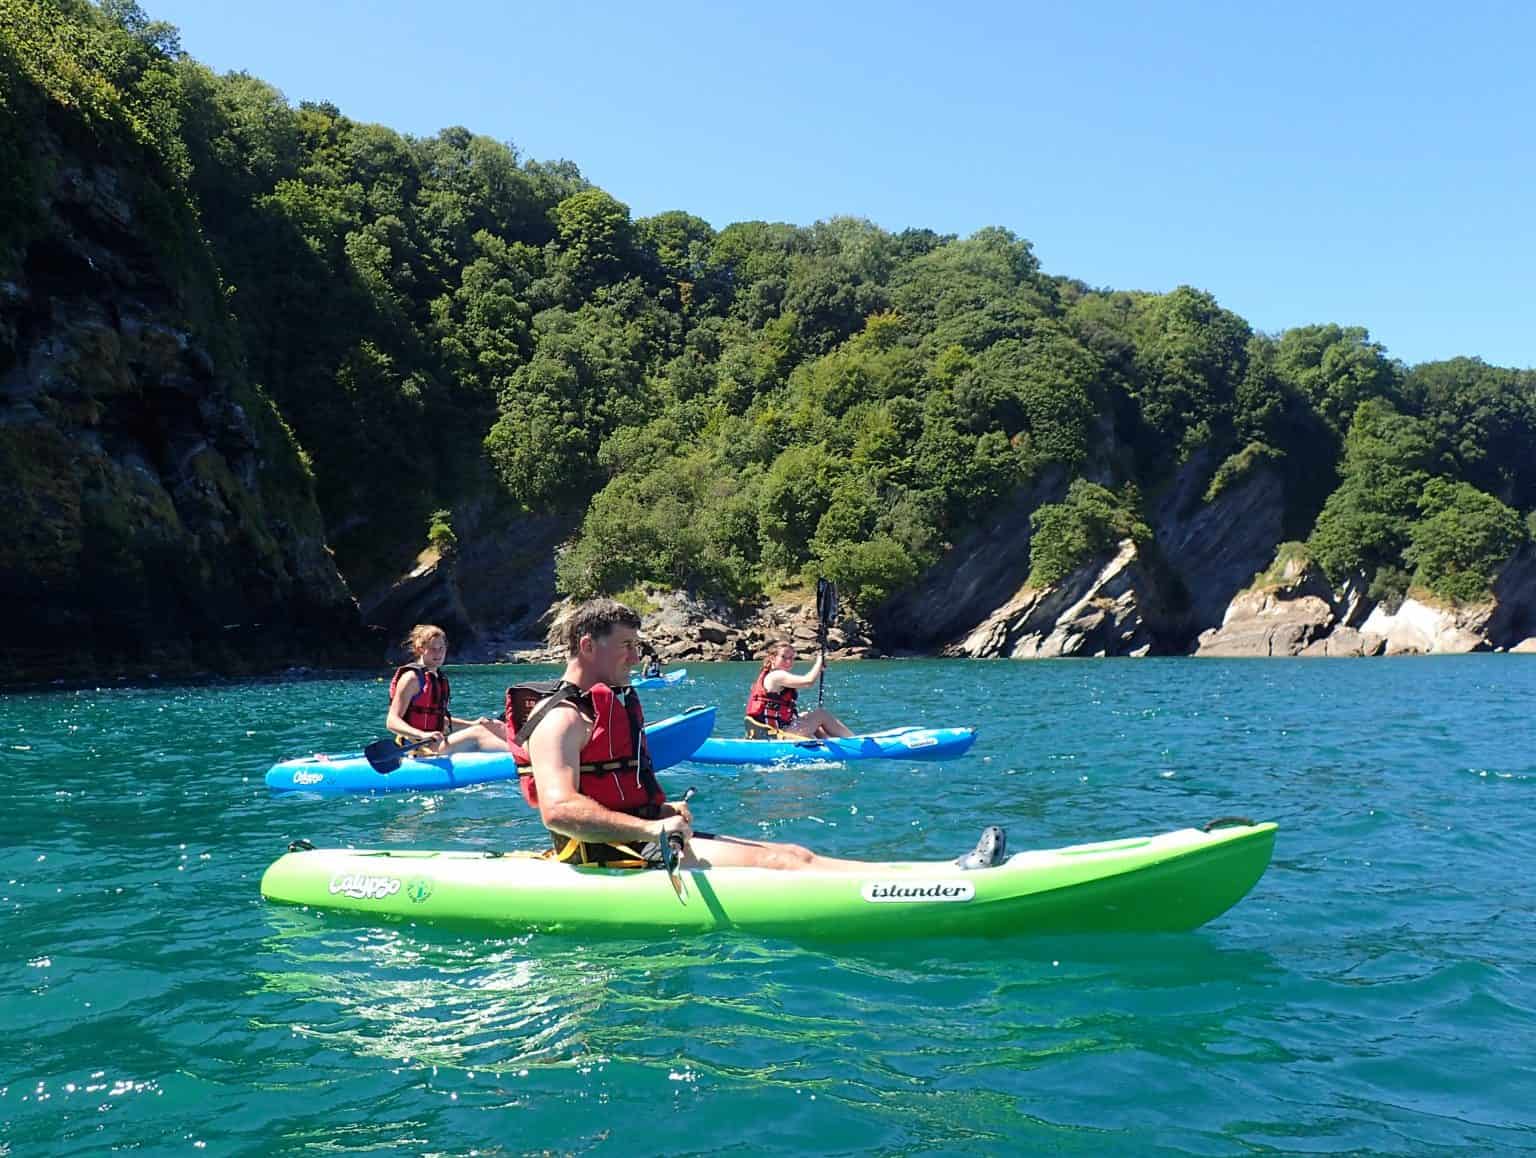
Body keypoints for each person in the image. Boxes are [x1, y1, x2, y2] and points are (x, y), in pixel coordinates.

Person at [509, 598, 1006, 871]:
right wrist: (649, 830)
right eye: (626, 646)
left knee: (795, 853)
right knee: (785, 863)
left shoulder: (606, 705)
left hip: (643, 842)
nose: (636, 658)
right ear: (586, 645)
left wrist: (659, 813)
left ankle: (939, 872)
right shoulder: (561, 718)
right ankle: (947, 881)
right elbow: (560, 810)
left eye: (637, 646)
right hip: (613, 856)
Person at [387, 624, 507, 755]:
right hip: (417, 747)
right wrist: (421, 734)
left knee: (493, 725)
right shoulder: (411, 678)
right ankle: (522, 758)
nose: (438, 653)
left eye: (441, 648)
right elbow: (392, 721)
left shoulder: (437, 678)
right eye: (433, 649)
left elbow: (436, 719)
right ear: (420, 649)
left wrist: (473, 723)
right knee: (478, 733)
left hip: (435, 743)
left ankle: (525, 749)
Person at [743, 641, 854, 739]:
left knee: (805, 714)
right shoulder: (777, 675)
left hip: (770, 733)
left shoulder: (771, 674)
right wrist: (819, 661)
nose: (788, 661)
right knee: (821, 714)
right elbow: (808, 681)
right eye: (784, 657)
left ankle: (826, 743)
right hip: (777, 735)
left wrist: (818, 669)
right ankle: (854, 741)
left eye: (791, 658)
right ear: (772, 658)